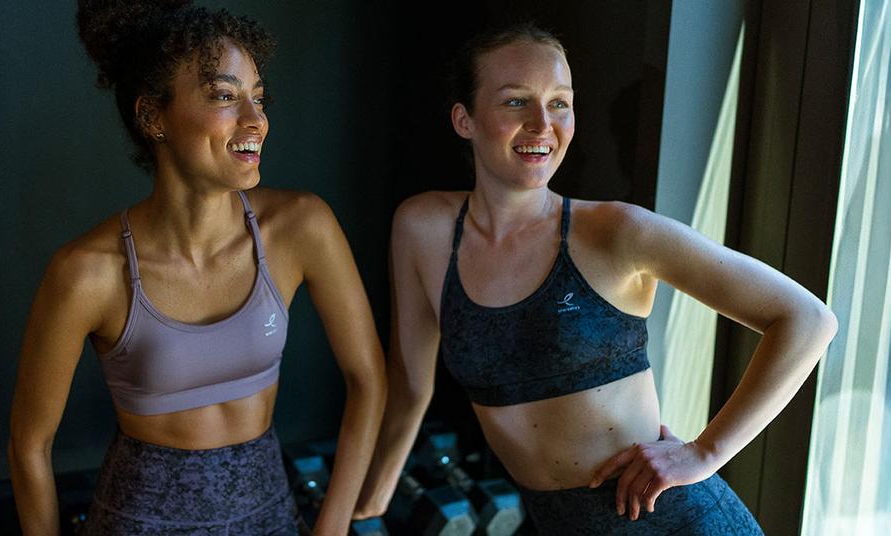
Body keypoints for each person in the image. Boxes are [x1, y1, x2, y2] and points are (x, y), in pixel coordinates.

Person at [353, 22, 837, 534]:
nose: (543, 124)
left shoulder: (616, 232)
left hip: (674, 521)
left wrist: (705, 452)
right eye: (517, 102)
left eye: (559, 103)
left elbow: (806, 319)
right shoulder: (422, 229)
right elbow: (409, 386)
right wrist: (365, 506)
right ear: (464, 118)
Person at [7, 1, 385, 534]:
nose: (255, 120)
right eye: (225, 96)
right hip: (138, 521)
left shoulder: (303, 227)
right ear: (152, 117)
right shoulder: (87, 272)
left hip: (270, 514)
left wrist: (333, 526)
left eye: (258, 97)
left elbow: (368, 379)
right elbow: (29, 444)